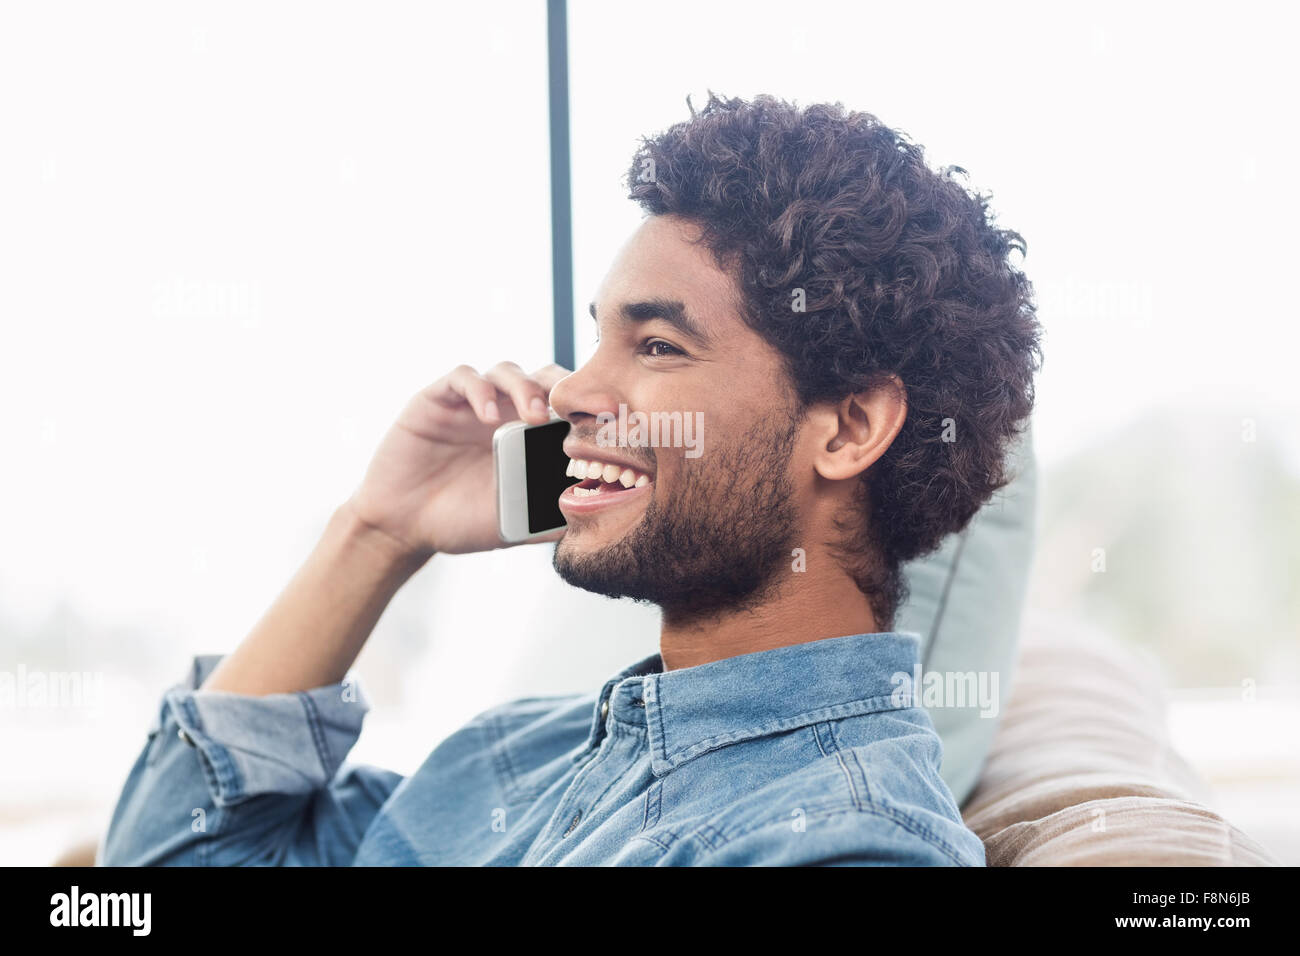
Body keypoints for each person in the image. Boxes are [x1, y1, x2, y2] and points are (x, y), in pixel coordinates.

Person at [101, 93, 1041, 866]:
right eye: (598, 337)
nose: (578, 389)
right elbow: (167, 861)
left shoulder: (845, 844)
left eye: (659, 345)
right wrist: (380, 533)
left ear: (850, 427)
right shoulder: (517, 757)